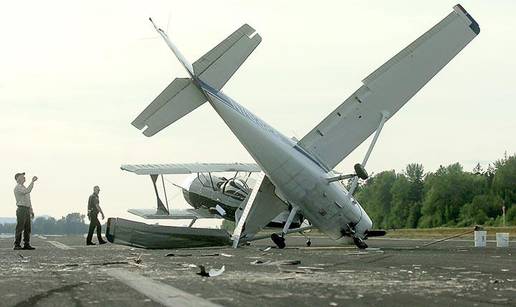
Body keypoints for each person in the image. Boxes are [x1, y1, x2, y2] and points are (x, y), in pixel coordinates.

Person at [13, 172, 37, 250]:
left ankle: (26, 244)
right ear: (18, 178)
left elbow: (28, 200)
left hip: (26, 209)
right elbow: (27, 191)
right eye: (22, 176)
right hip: (21, 209)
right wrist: (32, 182)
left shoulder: (24, 187)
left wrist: (31, 210)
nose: (24, 177)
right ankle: (17, 244)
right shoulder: (18, 187)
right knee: (20, 227)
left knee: (27, 228)